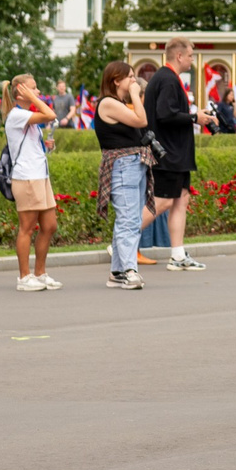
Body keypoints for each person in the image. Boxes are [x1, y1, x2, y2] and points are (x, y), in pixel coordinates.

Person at [143, 38, 211, 270]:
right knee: (161, 202)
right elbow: (165, 114)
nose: (192, 59)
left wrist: (194, 114)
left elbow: (169, 112)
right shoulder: (168, 79)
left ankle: (178, 256)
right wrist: (194, 118)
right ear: (179, 56)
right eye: (191, 55)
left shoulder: (166, 78)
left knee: (181, 200)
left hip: (176, 153)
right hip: (168, 154)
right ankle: (120, 240)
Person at [92, 59, 153, 289]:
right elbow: (141, 119)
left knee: (131, 219)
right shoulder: (107, 102)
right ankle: (129, 270)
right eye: (129, 77)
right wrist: (136, 94)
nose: (133, 80)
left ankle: (117, 271)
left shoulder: (117, 103)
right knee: (128, 220)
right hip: (122, 164)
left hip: (132, 163)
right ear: (116, 80)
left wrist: (134, 95)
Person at [1, 75, 60, 289]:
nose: (39, 92)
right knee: (27, 228)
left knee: (49, 225)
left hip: (39, 176)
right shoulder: (16, 115)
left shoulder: (27, 116)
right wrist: (33, 100)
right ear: (21, 92)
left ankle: (40, 273)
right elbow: (50, 114)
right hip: (26, 178)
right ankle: (24, 277)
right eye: (34, 89)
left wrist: (47, 146)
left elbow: (31, 146)